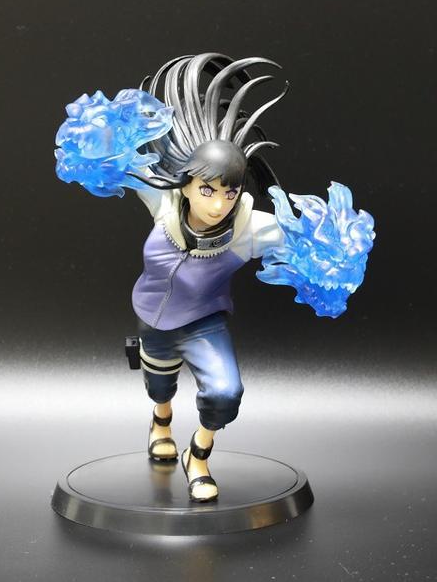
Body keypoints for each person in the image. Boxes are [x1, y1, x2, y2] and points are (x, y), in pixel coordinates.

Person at [54, 53, 376, 503]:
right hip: (152, 318)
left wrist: (335, 253)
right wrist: (101, 135)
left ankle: (199, 456)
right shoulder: (164, 201)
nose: (219, 202)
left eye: (230, 190)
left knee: (225, 393)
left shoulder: (250, 228)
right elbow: (117, 157)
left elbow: (305, 242)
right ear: (187, 184)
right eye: (207, 189)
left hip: (205, 323)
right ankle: (161, 423)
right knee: (159, 384)